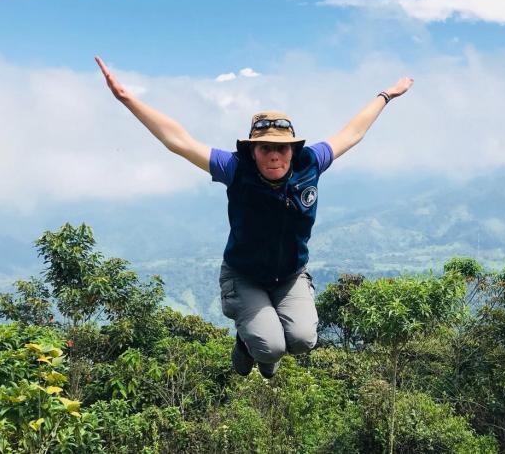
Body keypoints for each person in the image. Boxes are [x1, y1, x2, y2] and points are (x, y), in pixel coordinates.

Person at [95, 56, 413, 378]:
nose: (274, 154)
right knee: (270, 349)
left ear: (293, 149)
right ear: (252, 151)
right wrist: (128, 99)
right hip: (243, 275)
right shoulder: (236, 169)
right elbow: (178, 141)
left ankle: (261, 336)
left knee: (303, 340)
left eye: (282, 148)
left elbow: (352, 133)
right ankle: (248, 344)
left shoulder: (310, 163)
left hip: (289, 274)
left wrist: (385, 95)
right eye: (264, 148)